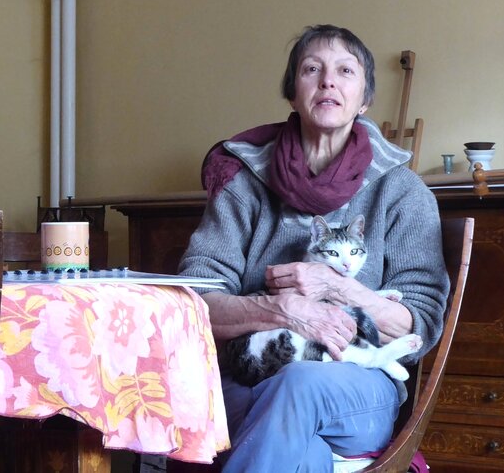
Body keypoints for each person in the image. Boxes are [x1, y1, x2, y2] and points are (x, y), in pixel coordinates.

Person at [178, 24, 449, 472]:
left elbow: (417, 325)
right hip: (251, 373)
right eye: (311, 69)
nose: (328, 82)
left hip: (358, 384)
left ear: (364, 99)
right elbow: (192, 303)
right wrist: (282, 310)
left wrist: (336, 287)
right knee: (302, 450)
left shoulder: (402, 191)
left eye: (345, 71)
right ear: (292, 92)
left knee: (297, 385)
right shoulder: (243, 184)